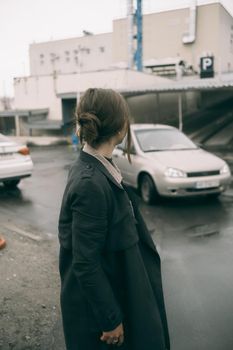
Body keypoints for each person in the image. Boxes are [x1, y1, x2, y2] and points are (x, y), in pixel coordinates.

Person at [58, 88, 170, 350]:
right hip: (103, 316)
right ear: (120, 126)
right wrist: (110, 319)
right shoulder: (90, 182)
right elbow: (85, 262)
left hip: (121, 290)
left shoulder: (99, 165)